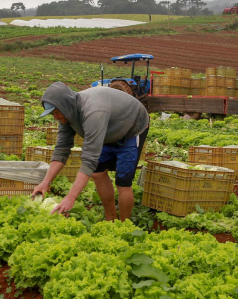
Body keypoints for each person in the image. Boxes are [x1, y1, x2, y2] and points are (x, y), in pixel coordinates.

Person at [31, 81, 149, 221]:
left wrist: (71, 198)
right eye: (52, 114)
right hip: (108, 129)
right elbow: (61, 149)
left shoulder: (93, 112)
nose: (55, 117)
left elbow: (89, 159)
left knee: (123, 181)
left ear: (65, 106)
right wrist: (45, 182)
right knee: (97, 173)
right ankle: (110, 218)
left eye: (56, 112)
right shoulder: (66, 115)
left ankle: (124, 225)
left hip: (132, 127)